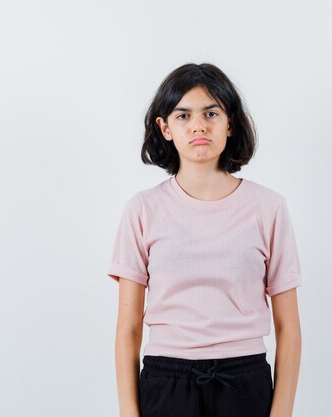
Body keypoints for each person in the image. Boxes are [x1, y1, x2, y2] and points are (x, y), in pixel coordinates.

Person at [107, 62, 302, 417]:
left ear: (230, 123)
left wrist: (282, 412)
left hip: (244, 383)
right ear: (164, 128)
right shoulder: (142, 210)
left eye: (211, 113)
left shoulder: (269, 208)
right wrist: (128, 412)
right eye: (183, 116)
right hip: (166, 384)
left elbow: (288, 326)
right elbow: (128, 327)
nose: (198, 125)